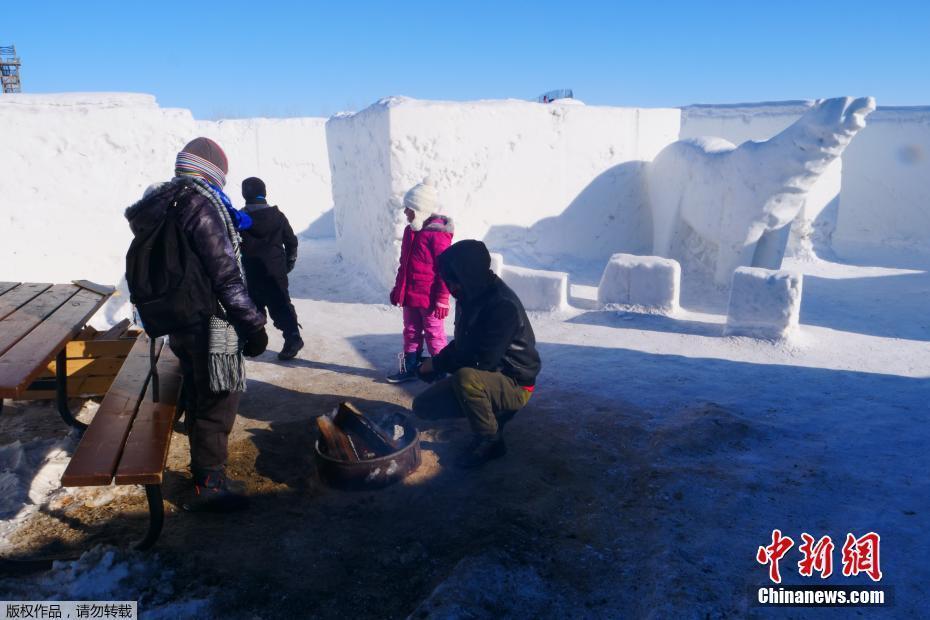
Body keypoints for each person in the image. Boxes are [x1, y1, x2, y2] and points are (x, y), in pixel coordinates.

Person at [125, 137, 268, 512]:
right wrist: (253, 325)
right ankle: (211, 480)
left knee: (199, 387)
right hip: (214, 320)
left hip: (180, 318)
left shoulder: (163, 203)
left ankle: (205, 464)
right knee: (220, 398)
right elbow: (226, 278)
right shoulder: (201, 206)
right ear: (212, 172)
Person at [412, 240, 541, 468]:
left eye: (453, 280)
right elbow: (464, 345)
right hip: (487, 376)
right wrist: (435, 363)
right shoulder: (470, 296)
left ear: (467, 275)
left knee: (466, 379)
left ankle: (491, 441)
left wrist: (438, 365)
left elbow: (482, 360)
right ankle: (487, 412)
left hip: (515, 383)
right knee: (423, 406)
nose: (450, 287)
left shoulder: (502, 305)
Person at [387, 178, 454, 383]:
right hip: (411, 295)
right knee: (411, 331)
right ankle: (410, 366)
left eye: (410, 209)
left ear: (421, 210)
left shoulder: (437, 236)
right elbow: (404, 265)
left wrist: (443, 297)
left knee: (434, 334)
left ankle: (440, 372)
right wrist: (399, 289)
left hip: (430, 297)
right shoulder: (410, 232)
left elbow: (446, 269)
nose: (406, 212)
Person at [238, 177, 303, 360]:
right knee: (281, 305)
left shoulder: (241, 219)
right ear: (264, 193)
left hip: (252, 272)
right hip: (276, 271)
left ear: (245, 194)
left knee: (253, 309)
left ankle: (254, 341)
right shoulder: (278, 216)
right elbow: (291, 241)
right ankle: (293, 337)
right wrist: (290, 260)